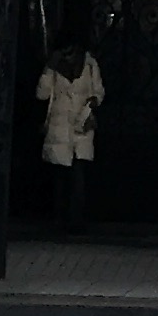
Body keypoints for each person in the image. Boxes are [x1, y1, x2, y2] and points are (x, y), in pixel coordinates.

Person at [36, 35, 103, 234]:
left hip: (81, 125)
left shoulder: (90, 64)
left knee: (78, 176)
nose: (68, 57)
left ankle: (76, 220)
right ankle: (59, 219)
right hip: (59, 126)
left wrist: (92, 103)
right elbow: (42, 94)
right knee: (60, 177)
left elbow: (99, 91)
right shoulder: (54, 67)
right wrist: (49, 69)